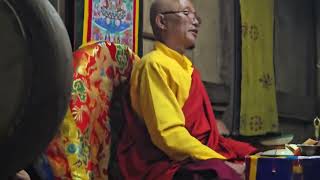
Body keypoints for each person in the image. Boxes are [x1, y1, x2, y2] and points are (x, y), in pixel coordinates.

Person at [115, 0, 257, 179]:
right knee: (221, 173)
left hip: (193, 153)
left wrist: (219, 155)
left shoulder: (187, 69)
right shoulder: (153, 65)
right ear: (162, 22)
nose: (195, 21)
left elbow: (203, 131)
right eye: (187, 13)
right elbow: (168, 135)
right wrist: (219, 161)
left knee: (258, 159)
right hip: (164, 161)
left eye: (196, 16)